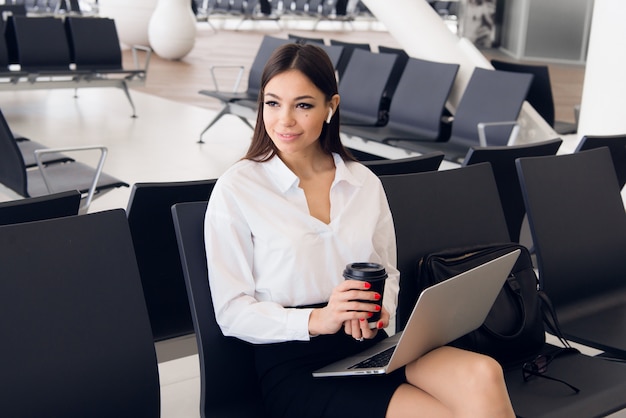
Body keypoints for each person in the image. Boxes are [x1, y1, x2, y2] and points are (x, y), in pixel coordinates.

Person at [204, 42, 515, 418]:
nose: (284, 120)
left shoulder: (363, 182)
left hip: (371, 344)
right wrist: (319, 319)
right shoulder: (238, 188)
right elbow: (232, 311)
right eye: (272, 103)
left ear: (330, 107)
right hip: (297, 363)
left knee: (483, 373)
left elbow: (389, 272)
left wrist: (381, 312)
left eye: (303, 105)